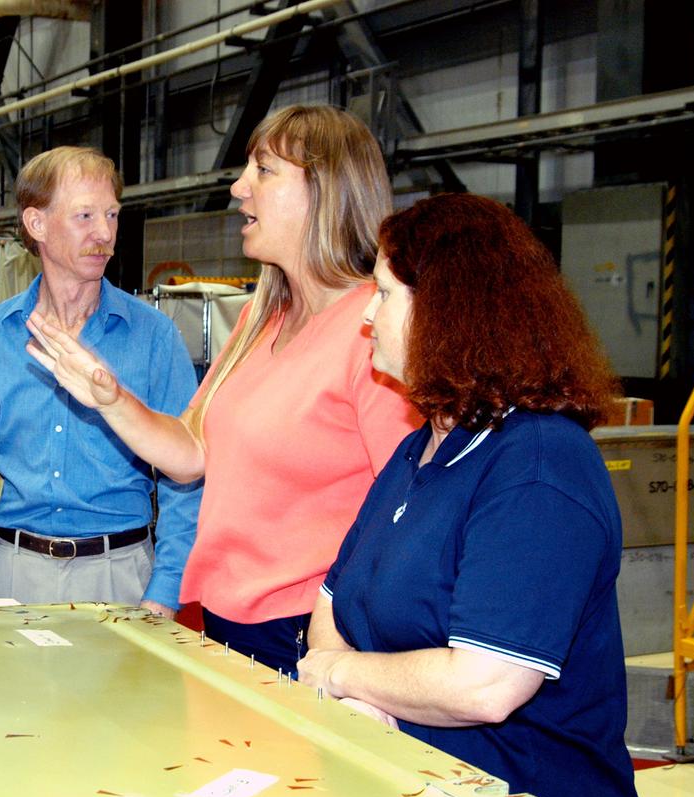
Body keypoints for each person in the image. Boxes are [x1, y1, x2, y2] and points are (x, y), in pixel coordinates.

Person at [296, 193, 641, 797]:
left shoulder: (539, 466)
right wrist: (365, 699)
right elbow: (331, 615)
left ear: (448, 311)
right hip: (412, 793)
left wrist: (340, 678)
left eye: (384, 295)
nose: (366, 317)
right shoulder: (419, 449)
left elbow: (486, 682)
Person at [26, 106, 418, 668]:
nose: (239, 188)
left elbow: (411, 512)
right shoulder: (264, 323)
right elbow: (190, 453)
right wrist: (109, 397)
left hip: (310, 631)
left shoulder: (369, 333)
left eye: (263, 171)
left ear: (323, 192)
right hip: (231, 617)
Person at [0, 146, 200, 617]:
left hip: (121, 575)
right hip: (13, 574)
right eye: (84, 216)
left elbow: (185, 475)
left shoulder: (153, 338)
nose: (104, 233)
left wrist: (166, 588)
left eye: (111, 214)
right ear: (37, 225)